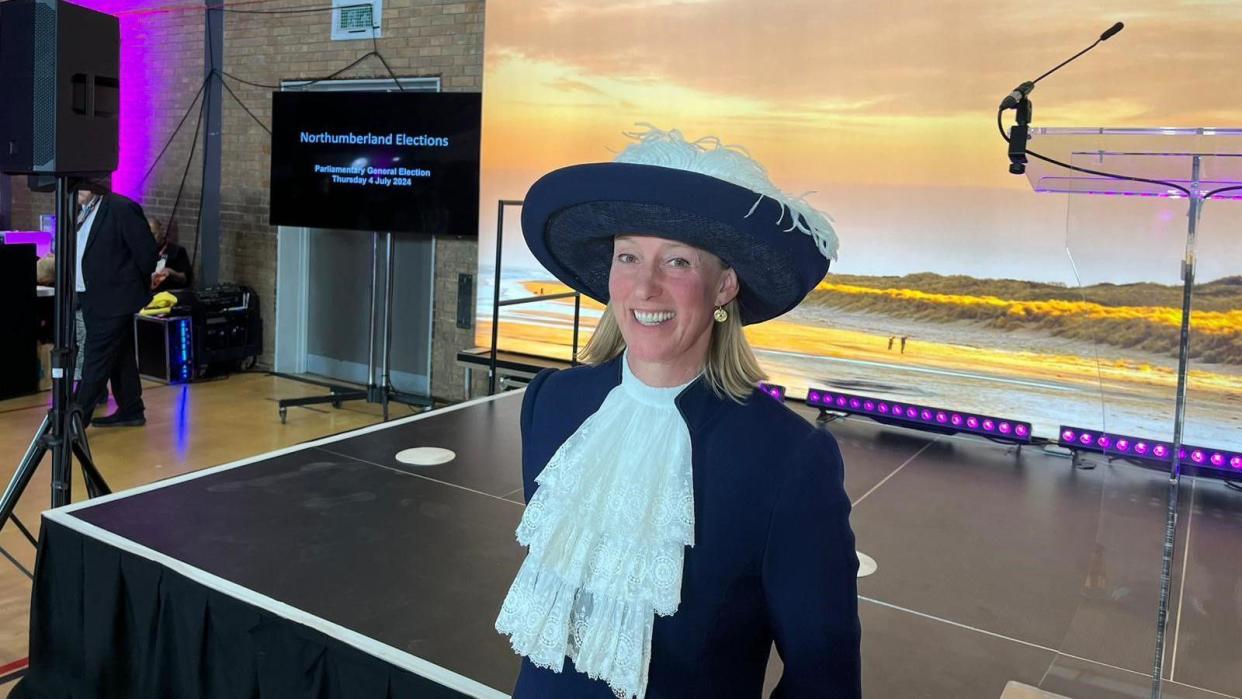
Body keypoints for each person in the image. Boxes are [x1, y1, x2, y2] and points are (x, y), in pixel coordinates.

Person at [495, 127, 861, 698]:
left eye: (678, 262)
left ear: (724, 287)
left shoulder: (788, 458)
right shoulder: (552, 404)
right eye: (628, 256)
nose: (645, 286)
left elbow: (825, 681)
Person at [73, 183, 159, 427]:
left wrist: (133, 288)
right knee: (120, 354)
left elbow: (147, 253)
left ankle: (76, 420)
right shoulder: (81, 210)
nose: (77, 188)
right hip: (91, 295)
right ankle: (132, 408)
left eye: (82, 182)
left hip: (116, 299)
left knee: (96, 357)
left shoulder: (121, 208)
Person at [148, 219, 193, 292]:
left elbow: (185, 279)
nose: (150, 238)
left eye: (153, 234)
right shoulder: (144, 251)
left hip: (170, 294)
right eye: (148, 235)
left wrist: (172, 273)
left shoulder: (177, 251)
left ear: (162, 230)